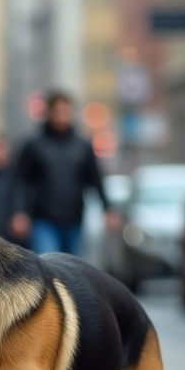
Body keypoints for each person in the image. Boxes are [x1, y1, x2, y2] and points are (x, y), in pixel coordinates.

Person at [10, 91, 117, 255]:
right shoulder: (34, 145)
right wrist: (19, 212)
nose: (61, 116)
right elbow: (20, 182)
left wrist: (107, 209)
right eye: (57, 112)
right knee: (49, 265)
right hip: (43, 220)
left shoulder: (82, 146)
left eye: (65, 111)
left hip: (74, 219)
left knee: (72, 270)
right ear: (49, 113)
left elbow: (95, 179)